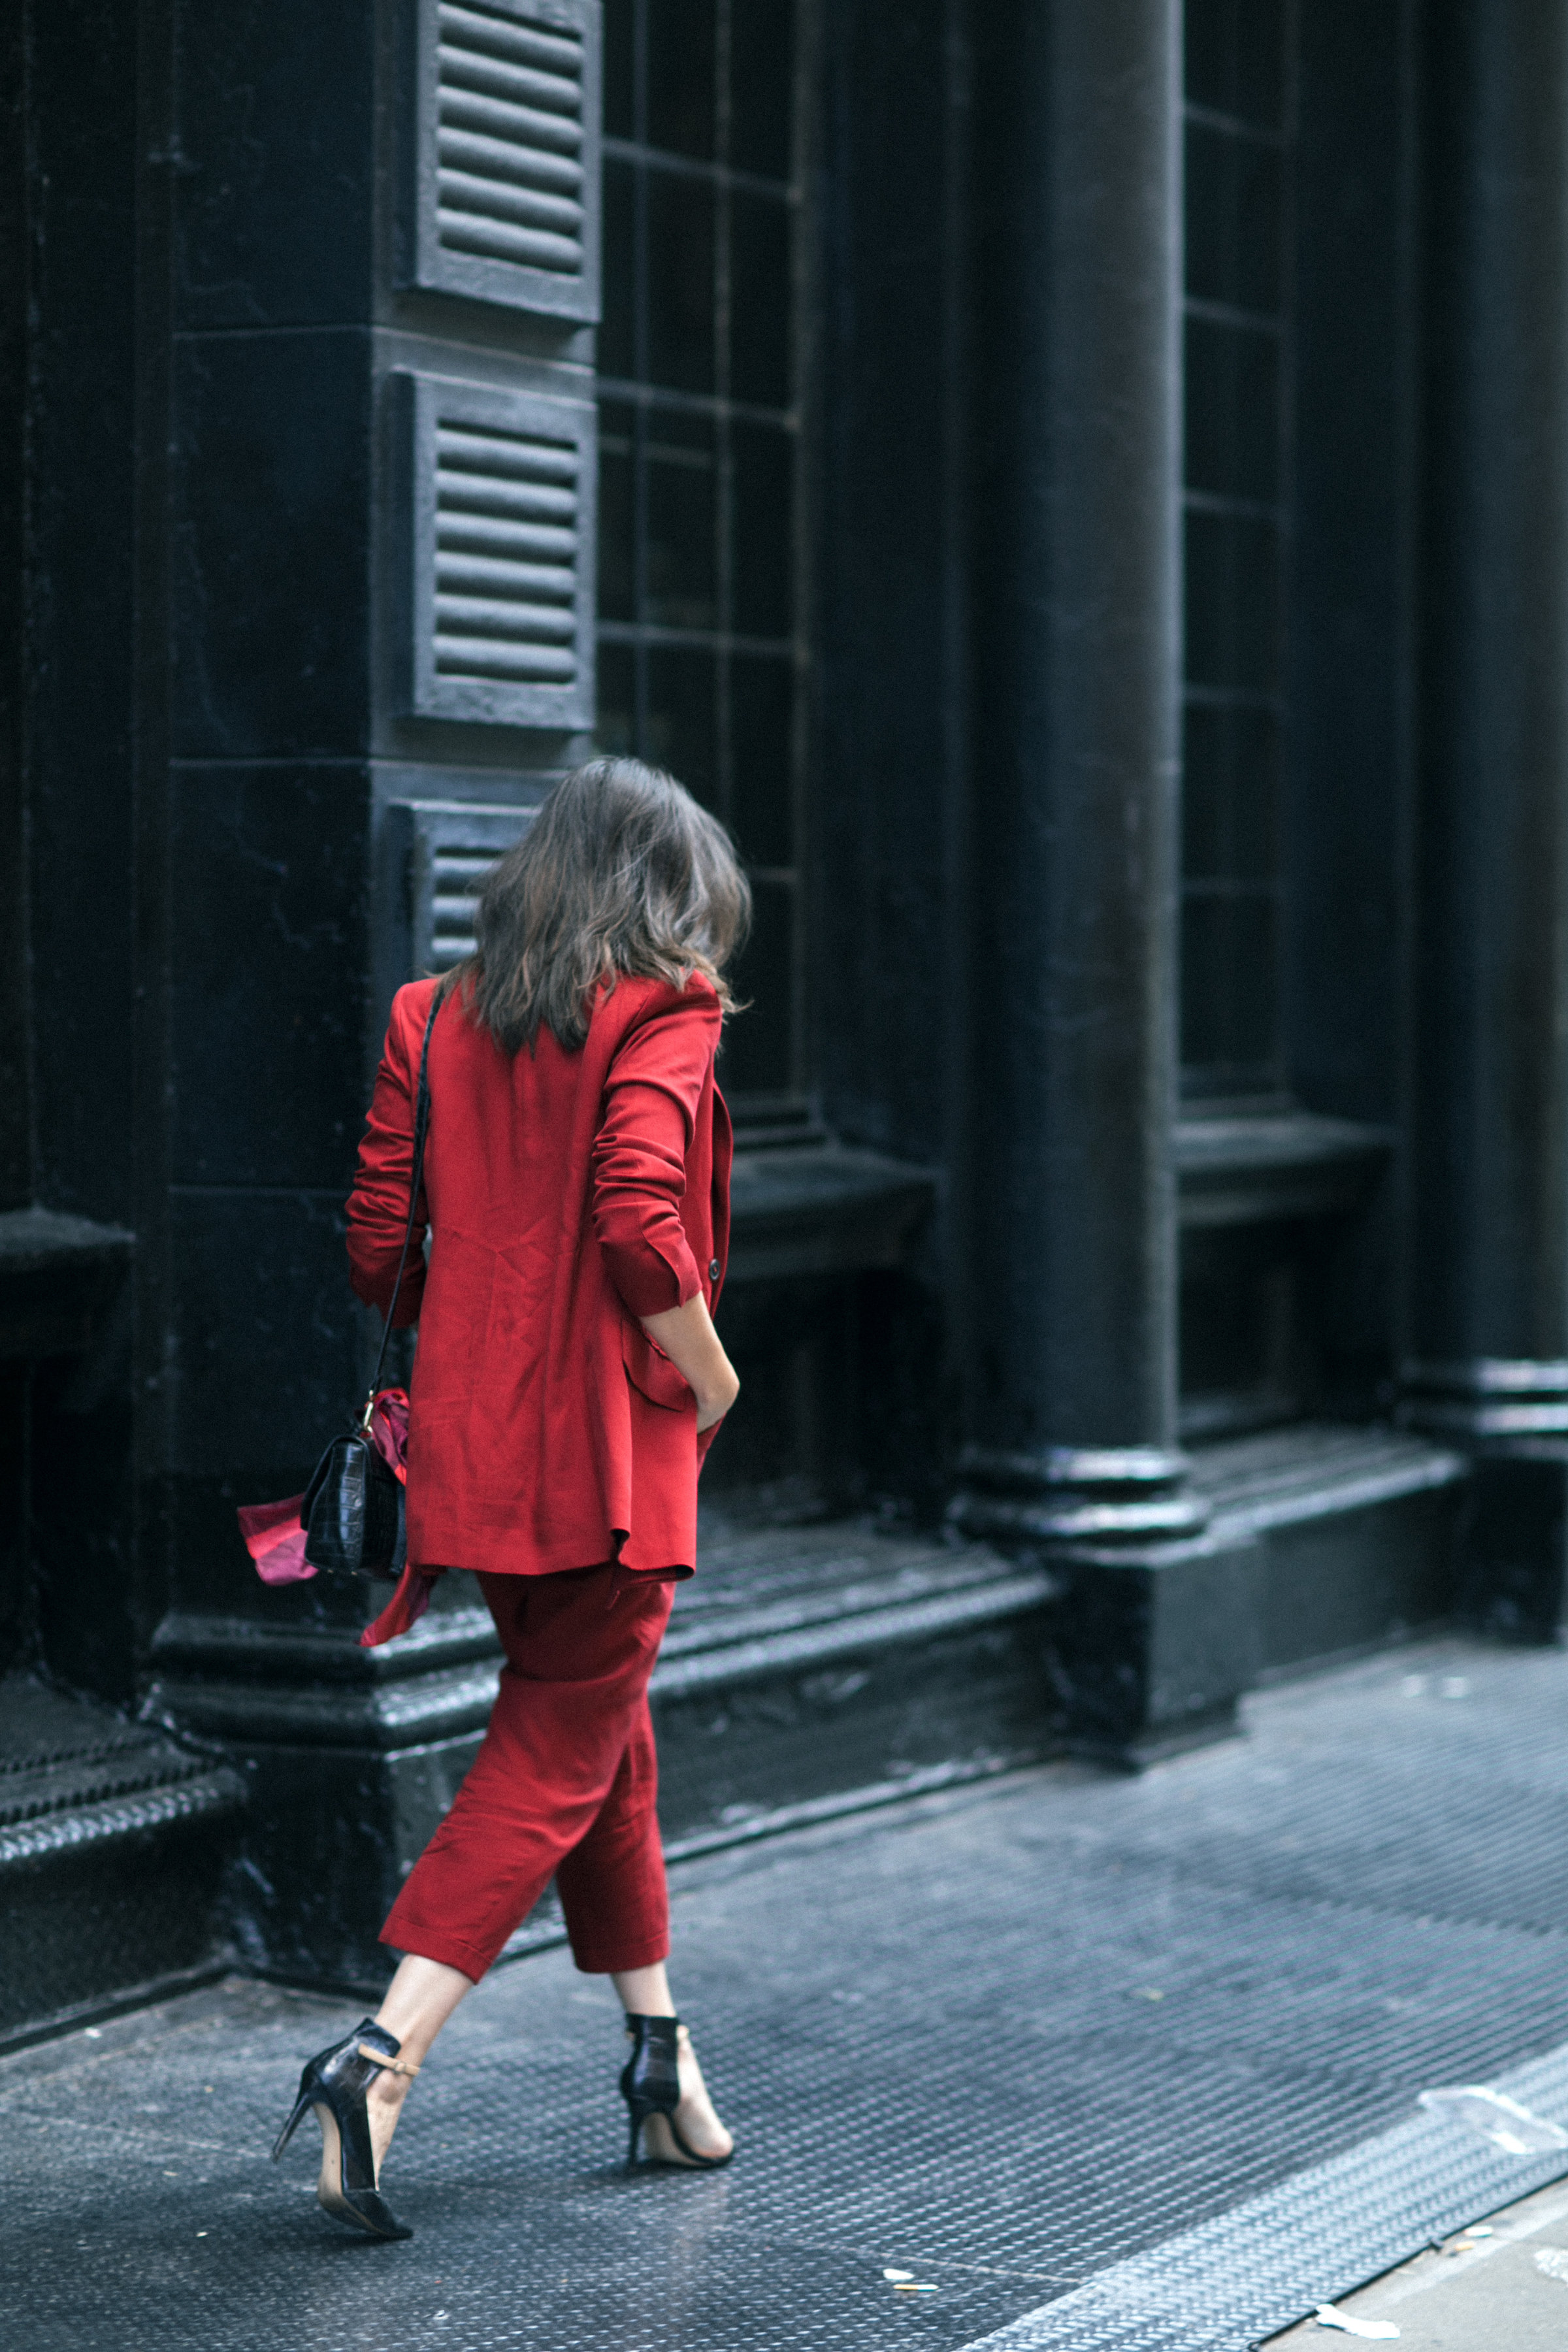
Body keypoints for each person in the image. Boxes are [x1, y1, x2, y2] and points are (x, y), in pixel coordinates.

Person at [271, 759, 747, 2241]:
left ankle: (662, 2063)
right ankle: (380, 2057)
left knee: (604, 1735)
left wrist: (476, 1274)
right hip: (608, 1462)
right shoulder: (661, 1012)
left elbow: (371, 1246)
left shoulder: (433, 1015)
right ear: (662, 900)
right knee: (551, 1750)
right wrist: (714, 1377)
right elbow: (639, 1217)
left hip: (479, 1460)